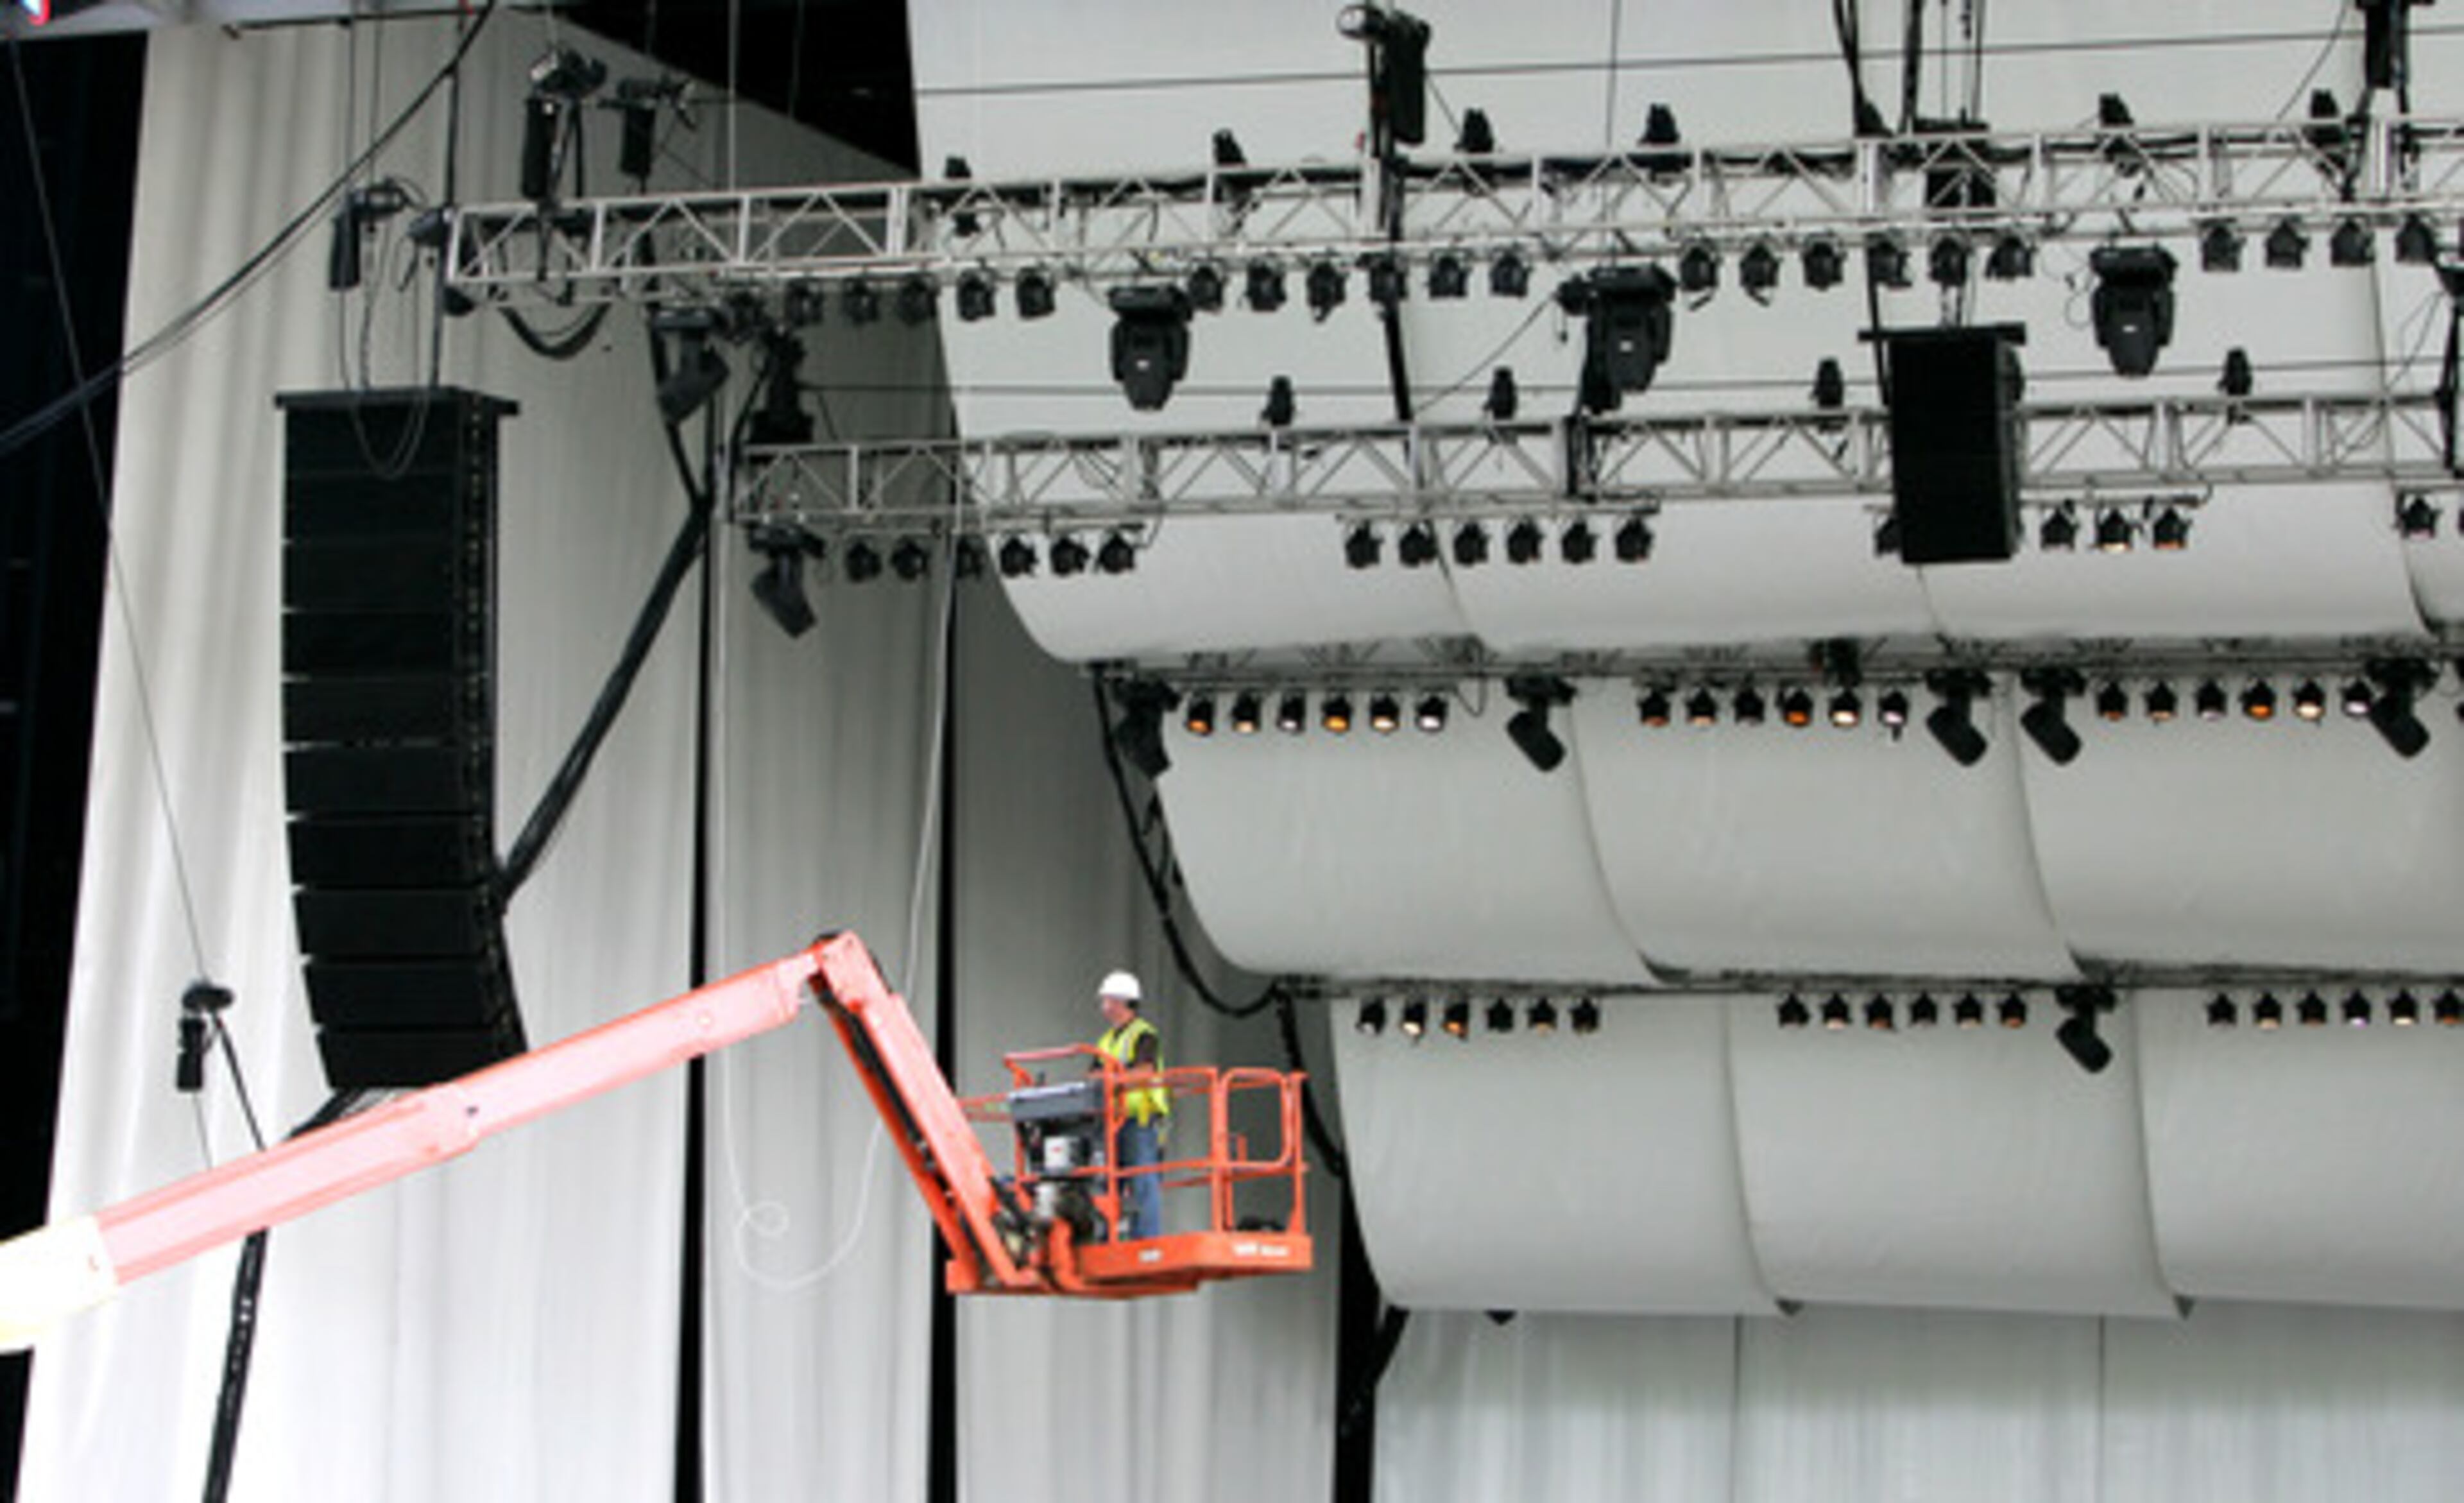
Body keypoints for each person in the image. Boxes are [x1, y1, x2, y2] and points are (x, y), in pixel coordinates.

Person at [1093, 970, 1168, 1241]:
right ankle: (1104, 1240)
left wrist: (1114, 1078)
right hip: (1115, 1120)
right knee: (1108, 1181)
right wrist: (1118, 1076)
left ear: (1123, 1002)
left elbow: (1144, 1073)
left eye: (1109, 1000)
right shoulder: (1106, 1040)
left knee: (1143, 1180)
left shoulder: (1144, 1035)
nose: (1105, 1007)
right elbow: (1092, 1076)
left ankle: (1146, 1238)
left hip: (1141, 1119)